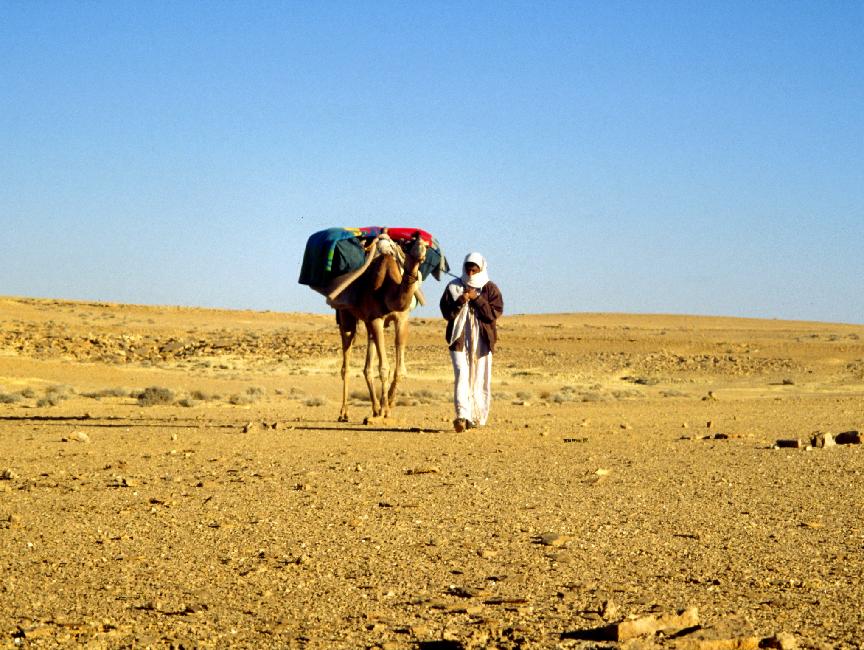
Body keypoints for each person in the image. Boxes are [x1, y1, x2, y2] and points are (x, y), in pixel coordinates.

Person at [440, 252, 504, 432]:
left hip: (482, 340)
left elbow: (493, 314)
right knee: (462, 374)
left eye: (474, 268)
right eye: (468, 267)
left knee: (480, 378)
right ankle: (462, 415)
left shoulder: (490, 288)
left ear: (481, 268)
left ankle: (476, 417)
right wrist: (462, 299)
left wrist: (477, 298)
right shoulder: (453, 287)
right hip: (459, 339)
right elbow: (447, 313)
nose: (471, 271)